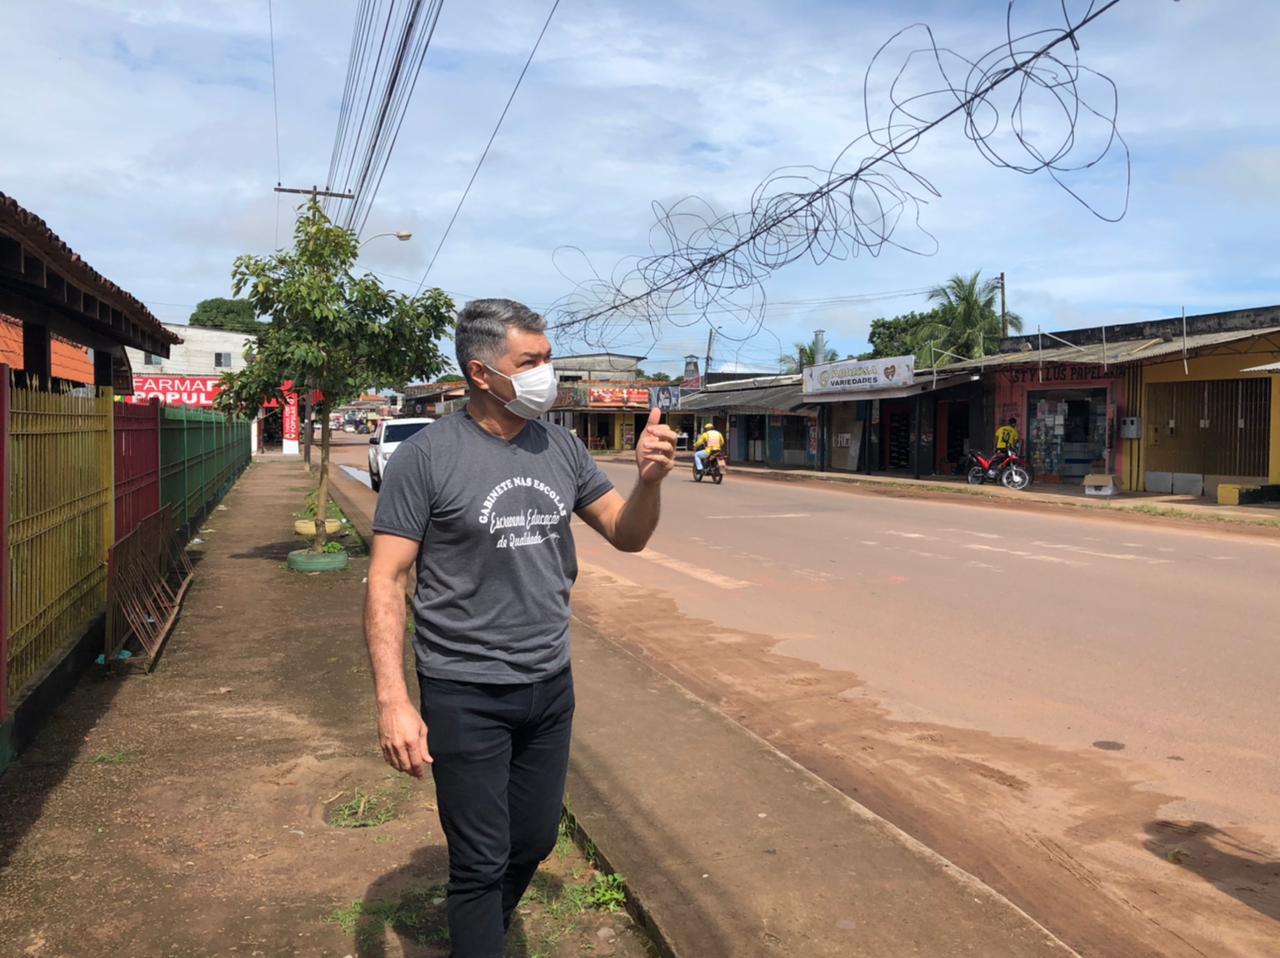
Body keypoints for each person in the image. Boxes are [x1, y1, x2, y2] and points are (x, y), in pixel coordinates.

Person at [363, 298, 677, 958]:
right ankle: (478, 930)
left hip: (549, 684)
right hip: (464, 689)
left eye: (547, 358)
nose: (546, 374)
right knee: (478, 863)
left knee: (532, 841)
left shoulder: (560, 446)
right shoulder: (426, 458)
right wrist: (394, 701)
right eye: (530, 361)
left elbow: (626, 534)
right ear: (481, 373)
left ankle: (482, 926)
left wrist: (649, 482)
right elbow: (387, 580)